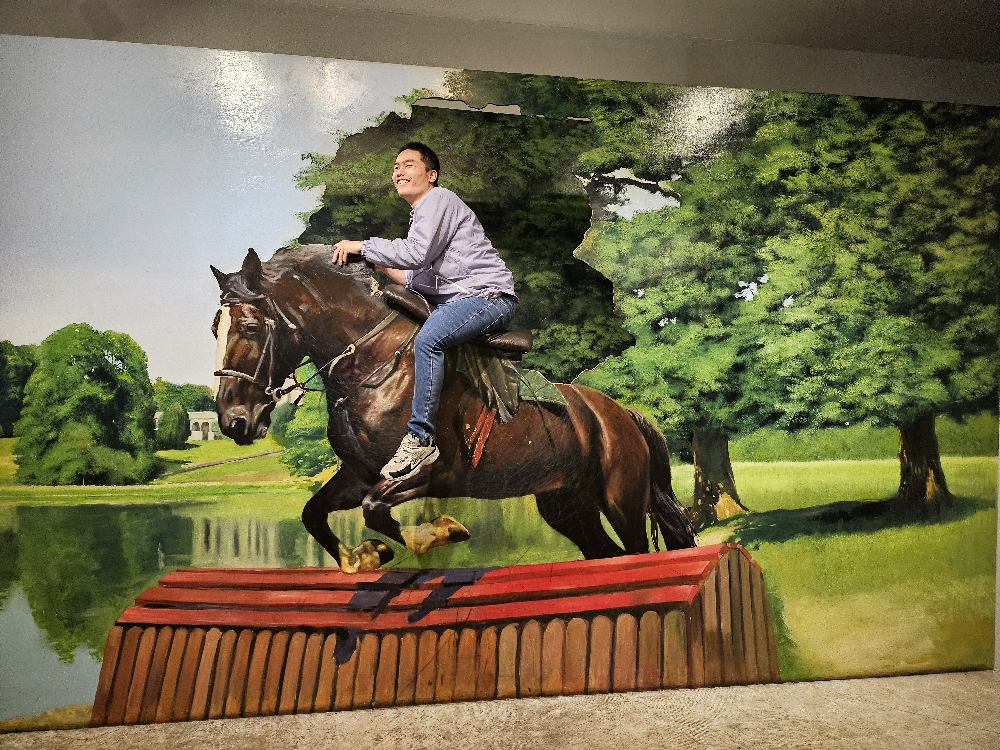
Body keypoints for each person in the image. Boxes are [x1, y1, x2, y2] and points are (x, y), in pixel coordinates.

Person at [331, 142, 516, 481]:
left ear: (431, 175)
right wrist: (379, 265)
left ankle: (420, 440)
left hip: (488, 297)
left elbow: (415, 254)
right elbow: (417, 276)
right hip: (466, 300)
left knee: (428, 340)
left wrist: (362, 246)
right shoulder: (425, 214)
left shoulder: (438, 200)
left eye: (408, 165)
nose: (398, 171)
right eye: (395, 167)